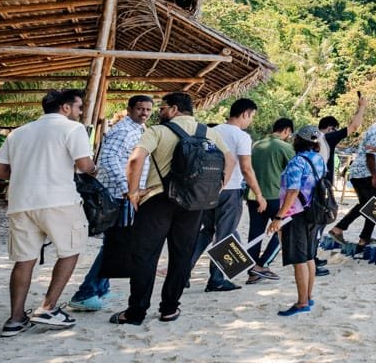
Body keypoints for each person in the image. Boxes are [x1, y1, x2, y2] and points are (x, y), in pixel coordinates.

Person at [111, 92, 235, 327]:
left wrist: (133, 192)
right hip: (194, 203)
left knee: (145, 256)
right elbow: (230, 160)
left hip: (158, 199)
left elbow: (135, 159)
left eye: (162, 108)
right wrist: (218, 188)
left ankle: (136, 312)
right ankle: (169, 308)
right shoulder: (209, 133)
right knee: (181, 255)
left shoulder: (158, 131)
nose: (159, 112)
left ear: (174, 109)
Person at [0, 89, 97, 336]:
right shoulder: (73, 129)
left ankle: (16, 318)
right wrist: (94, 169)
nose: (80, 112)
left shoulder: (19, 132)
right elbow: (84, 165)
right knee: (70, 250)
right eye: (79, 107)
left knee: (24, 259)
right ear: (65, 107)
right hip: (59, 201)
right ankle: (48, 307)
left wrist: (27, 175)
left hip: (21, 202)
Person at [70, 94, 153, 311]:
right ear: (130, 109)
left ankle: (101, 288)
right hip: (119, 195)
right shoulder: (124, 130)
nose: (144, 113)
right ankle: (86, 293)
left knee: (116, 244)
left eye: (147, 109)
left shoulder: (137, 129)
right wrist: (127, 188)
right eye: (140, 109)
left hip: (125, 194)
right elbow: (108, 158)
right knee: (114, 245)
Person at [201, 98, 266, 293]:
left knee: (207, 231)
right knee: (225, 235)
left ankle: (182, 271)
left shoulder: (211, 131)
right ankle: (216, 279)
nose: (250, 121)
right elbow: (246, 168)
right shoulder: (242, 136)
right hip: (231, 190)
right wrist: (258, 194)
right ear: (245, 113)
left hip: (208, 189)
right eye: (251, 116)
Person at [268, 125, 328, 316]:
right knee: (309, 256)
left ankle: (302, 303)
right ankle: (308, 297)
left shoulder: (297, 162)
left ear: (299, 141)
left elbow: (293, 191)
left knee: (299, 259)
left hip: (296, 215)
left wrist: (279, 216)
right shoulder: (319, 159)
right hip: (314, 212)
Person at [330, 104, 376, 248]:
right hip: (365, 173)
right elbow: (370, 156)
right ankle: (341, 230)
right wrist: (374, 176)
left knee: (370, 205)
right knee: (374, 205)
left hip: (365, 173)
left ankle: (363, 236)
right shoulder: (375, 132)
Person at [247, 118, 293, 274]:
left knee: (255, 234)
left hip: (254, 196)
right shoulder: (285, 147)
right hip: (274, 196)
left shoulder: (256, 145)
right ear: (286, 130)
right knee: (285, 230)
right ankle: (263, 264)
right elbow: (293, 170)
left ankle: (252, 270)